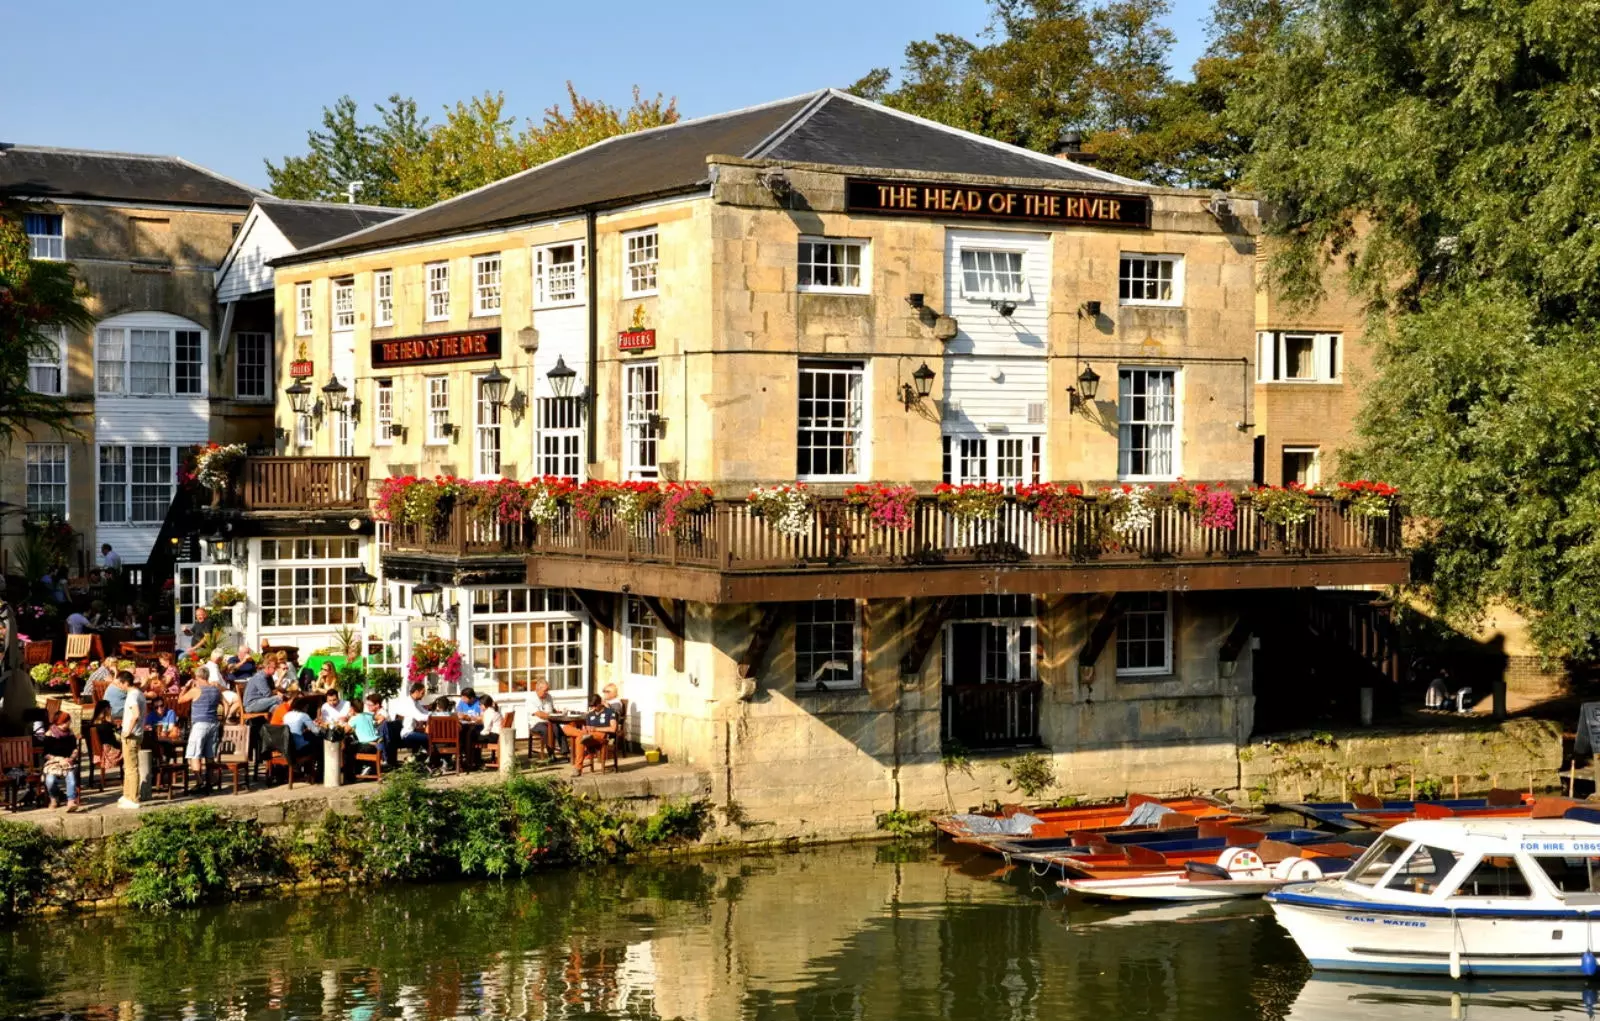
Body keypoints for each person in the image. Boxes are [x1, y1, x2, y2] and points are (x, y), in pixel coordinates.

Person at [180, 663, 224, 787]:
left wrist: (185, 687)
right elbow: (223, 702)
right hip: (213, 723)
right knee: (209, 754)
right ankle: (212, 779)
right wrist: (224, 719)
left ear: (197, 677)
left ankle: (199, 781)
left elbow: (180, 700)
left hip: (200, 724)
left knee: (195, 754)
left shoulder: (196, 690)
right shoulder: (215, 689)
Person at [563, 693, 617, 777]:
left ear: (600, 703)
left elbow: (613, 729)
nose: (593, 708)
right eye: (592, 706)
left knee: (579, 737)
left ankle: (578, 768)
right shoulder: (590, 714)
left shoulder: (609, 712)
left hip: (600, 736)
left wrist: (596, 729)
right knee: (566, 727)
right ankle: (582, 734)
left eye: (595, 706)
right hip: (588, 735)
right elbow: (587, 727)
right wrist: (586, 730)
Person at [39, 712, 81, 811]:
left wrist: (71, 758)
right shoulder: (49, 735)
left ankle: (71, 801)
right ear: (61, 722)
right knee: (50, 780)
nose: (69, 723)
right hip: (54, 763)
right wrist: (59, 759)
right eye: (67, 721)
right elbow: (45, 754)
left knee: (71, 777)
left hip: (68, 762)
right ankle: (54, 798)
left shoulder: (70, 734)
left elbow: (74, 749)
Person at [384, 681, 431, 765]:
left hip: (412, 731)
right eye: (422, 693)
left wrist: (437, 714)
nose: (423, 695)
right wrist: (435, 716)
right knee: (429, 738)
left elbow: (425, 712)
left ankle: (424, 758)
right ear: (416, 692)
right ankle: (430, 759)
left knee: (429, 738)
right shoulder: (409, 703)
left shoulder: (415, 702)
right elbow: (420, 717)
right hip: (407, 734)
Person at [117, 671, 145, 810]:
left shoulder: (132, 696)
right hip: (137, 734)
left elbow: (136, 714)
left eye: (120, 683)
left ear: (125, 683)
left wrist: (128, 730)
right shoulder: (138, 693)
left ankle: (133, 798)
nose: (119, 686)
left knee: (131, 768)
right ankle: (127, 794)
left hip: (131, 735)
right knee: (128, 766)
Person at [348, 693, 386, 776]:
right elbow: (381, 717)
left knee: (348, 749)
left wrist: (350, 716)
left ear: (352, 708)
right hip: (377, 744)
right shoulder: (368, 715)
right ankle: (368, 767)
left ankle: (354, 772)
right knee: (353, 745)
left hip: (366, 746)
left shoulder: (354, 719)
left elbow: (345, 730)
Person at [529, 679, 567, 758]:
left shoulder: (549, 697)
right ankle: (551, 754)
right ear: (538, 689)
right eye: (545, 691)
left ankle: (565, 751)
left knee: (557, 728)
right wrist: (552, 715)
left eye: (547, 690)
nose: (547, 692)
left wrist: (559, 713)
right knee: (546, 730)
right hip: (536, 723)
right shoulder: (531, 699)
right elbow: (539, 714)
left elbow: (552, 709)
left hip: (549, 721)